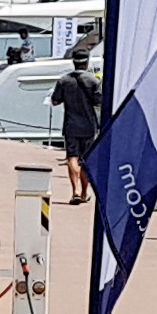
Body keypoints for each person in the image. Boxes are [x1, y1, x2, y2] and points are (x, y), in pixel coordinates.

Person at [50, 46, 104, 204]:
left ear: (73, 62)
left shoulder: (64, 81)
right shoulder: (94, 81)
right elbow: (99, 101)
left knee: (72, 157)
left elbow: (55, 101)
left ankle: (76, 190)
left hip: (70, 125)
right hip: (88, 126)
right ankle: (84, 192)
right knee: (85, 159)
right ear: (86, 63)